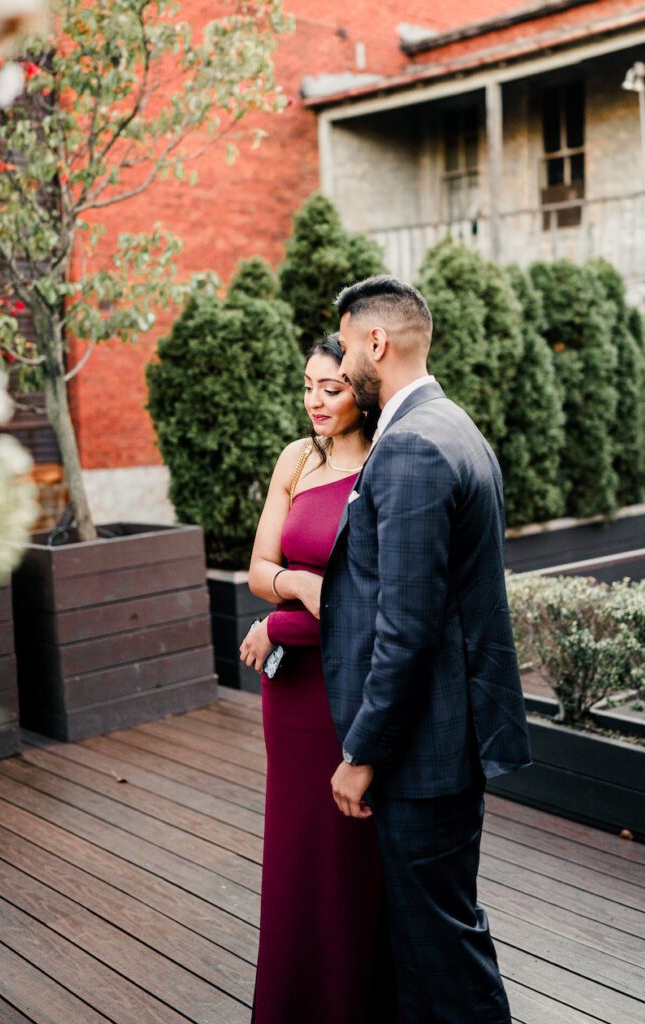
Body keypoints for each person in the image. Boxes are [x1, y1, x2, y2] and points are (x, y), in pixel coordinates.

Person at [320, 276, 533, 1024]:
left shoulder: (409, 447)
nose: (342, 368)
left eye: (345, 348)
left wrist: (361, 752)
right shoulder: (453, 425)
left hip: (423, 750)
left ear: (375, 341)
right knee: (432, 937)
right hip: (445, 737)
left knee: (439, 948)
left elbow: (405, 627)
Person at [240, 334, 397, 1024]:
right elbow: (257, 570)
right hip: (291, 695)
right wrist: (299, 583)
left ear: (361, 388)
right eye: (307, 386)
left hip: (348, 688)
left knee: (348, 854)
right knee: (295, 852)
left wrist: (281, 618)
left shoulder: (387, 468)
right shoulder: (295, 459)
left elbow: (374, 606)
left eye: (330, 388)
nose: (315, 401)